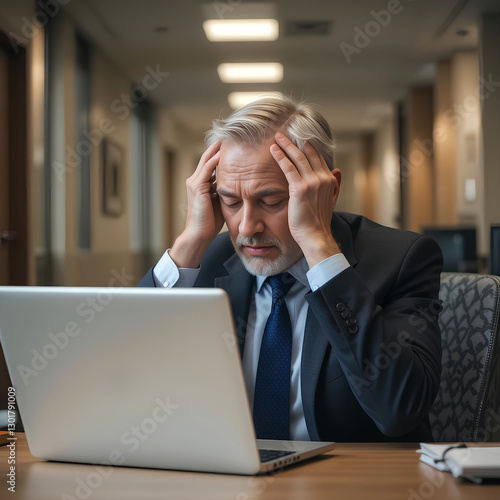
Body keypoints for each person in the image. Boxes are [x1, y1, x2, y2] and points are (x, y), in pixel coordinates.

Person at [138, 95, 443, 442]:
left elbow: (399, 411)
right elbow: (121, 376)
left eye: (271, 201)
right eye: (231, 201)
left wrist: (319, 247)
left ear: (328, 190)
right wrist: (189, 242)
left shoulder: (403, 259)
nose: (246, 227)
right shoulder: (204, 257)